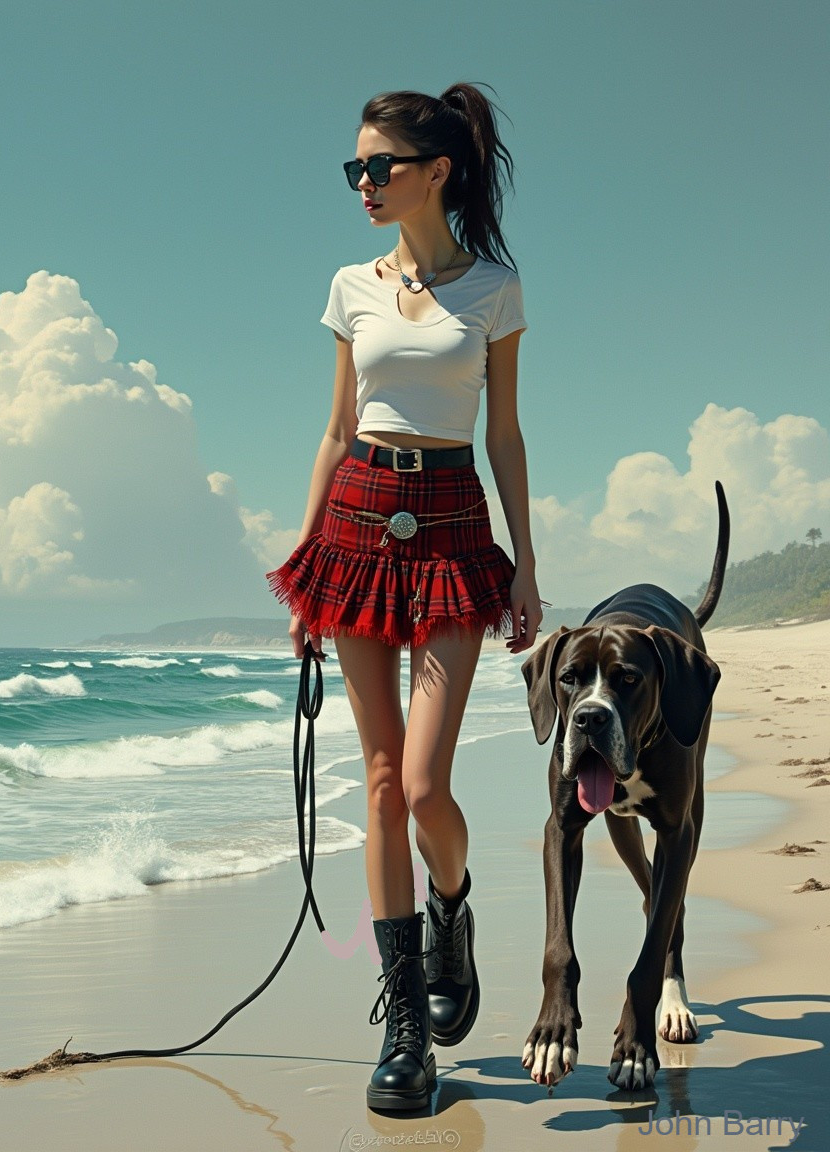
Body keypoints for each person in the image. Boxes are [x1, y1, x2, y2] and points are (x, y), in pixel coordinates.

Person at [267, 82, 543, 1112]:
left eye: (380, 167)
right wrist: (303, 566)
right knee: (381, 785)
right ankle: (406, 1030)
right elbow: (336, 433)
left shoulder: (497, 290)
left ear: (440, 170)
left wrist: (525, 561)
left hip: (455, 531)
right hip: (355, 522)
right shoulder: (351, 286)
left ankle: (452, 908)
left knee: (427, 787)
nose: (364, 185)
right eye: (355, 170)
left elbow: (505, 434)